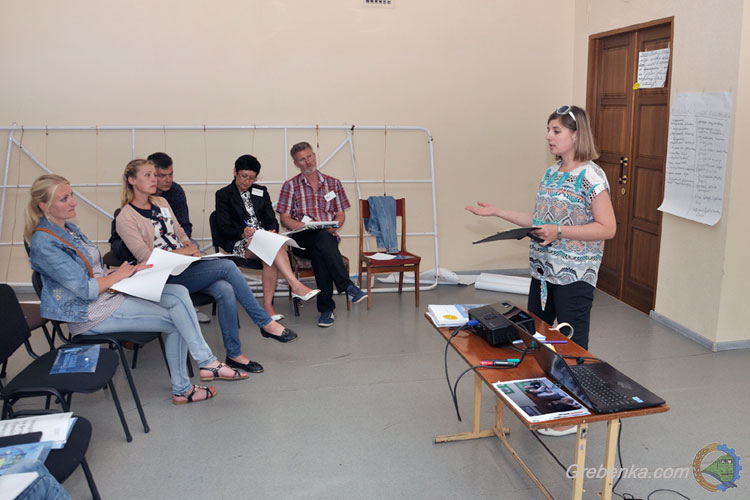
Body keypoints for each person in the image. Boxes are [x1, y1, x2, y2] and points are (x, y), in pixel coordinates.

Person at [26, 174, 247, 405]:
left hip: (108, 296)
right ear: (44, 205)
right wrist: (120, 275)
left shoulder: (69, 229)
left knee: (179, 292)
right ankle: (189, 382)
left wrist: (128, 271)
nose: (73, 202)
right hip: (90, 313)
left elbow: (93, 272)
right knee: (178, 321)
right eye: (64, 199)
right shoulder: (45, 244)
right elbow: (85, 289)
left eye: (71, 195)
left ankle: (205, 365)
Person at [466, 106, 615, 435]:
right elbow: (539, 222)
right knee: (539, 338)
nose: (549, 136)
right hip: (544, 273)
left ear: (576, 135)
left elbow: (607, 228)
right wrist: (499, 212)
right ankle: (550, 399)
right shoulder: (552, 173)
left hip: (574, 275)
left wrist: (559, 232)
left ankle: (573, 415)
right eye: (548, 129)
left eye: (556, 130)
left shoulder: (592, 177)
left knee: (570, 345)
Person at [116, 159, 298, 361]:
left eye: (154, 174)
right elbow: (147, 257)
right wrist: (187, 250)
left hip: (184, 266)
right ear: (132, 180)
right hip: (162, 275)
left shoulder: (161, 203)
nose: (155, 179)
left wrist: (189, 247)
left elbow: (180, 232)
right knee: (227, 266)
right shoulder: (125, 217)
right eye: (148, 175)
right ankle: (264, 322)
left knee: (225, 289)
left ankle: (234, 354)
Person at [215, 154, 320, 320]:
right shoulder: (223, 195)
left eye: (251, 178)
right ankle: (295, 287)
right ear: (235, 172)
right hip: (239, 241)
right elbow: (223, 226)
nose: (247, 181)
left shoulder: (261, 191)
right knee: (271, 249)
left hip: (263, 241)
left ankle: (269, 306)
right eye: (244, 176)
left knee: (269, 253)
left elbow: (271, 219)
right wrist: (242, 232)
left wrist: (272, 230)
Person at [276, 142, 367, 327]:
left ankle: (326, 310)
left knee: (321, 250)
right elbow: (284, 219)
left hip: (326, 238)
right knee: (321, 237)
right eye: (302, 160)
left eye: (309, 157)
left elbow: (340, 215)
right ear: (296, 163)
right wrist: (304, 226)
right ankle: (347, 286)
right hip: (301, 240)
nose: (308, 162)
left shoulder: (333, 183)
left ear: (314, 156)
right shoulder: (290, 186)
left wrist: (333, 227)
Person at [147, 151, 211, 324]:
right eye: (162, 175)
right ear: (151, 175)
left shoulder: (175, 191)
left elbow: (184, 225)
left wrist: (184, 245)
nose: (168, 180)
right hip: (153, 244)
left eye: (171, 174)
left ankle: (189, 303)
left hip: (177, 240)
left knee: (197, 253)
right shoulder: (141, 194)